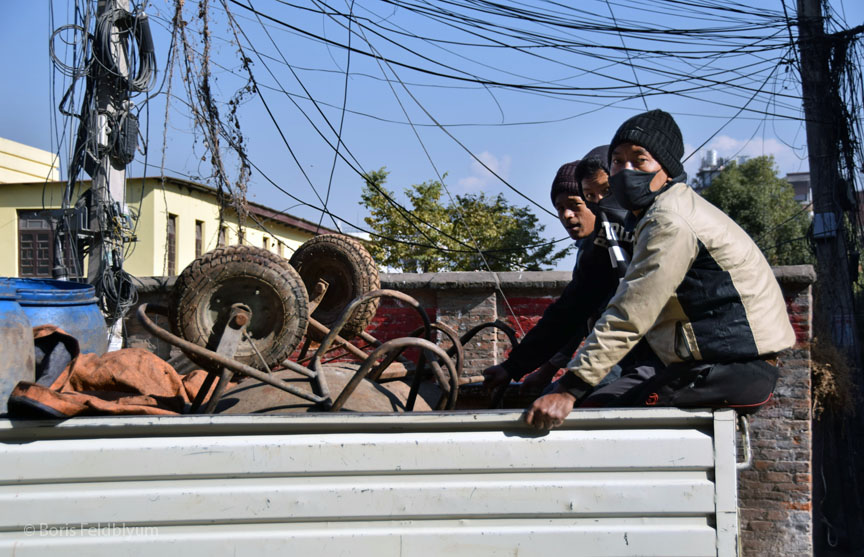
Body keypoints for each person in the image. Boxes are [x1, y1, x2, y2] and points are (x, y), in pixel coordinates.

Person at [525, 109, 795, 430]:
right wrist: (521, 367)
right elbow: (574, 307)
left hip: (729, 369)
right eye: (617, 161)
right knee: (600, 403)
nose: (625, 171)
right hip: (711, 366)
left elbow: (632, 311)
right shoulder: (657, 214)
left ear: (665, 168)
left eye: (639, 160)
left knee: (593, 419)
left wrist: (570, 389)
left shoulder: (669, 219)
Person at [482, 154, 631, 395]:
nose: (567, 216)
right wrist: (519, 368)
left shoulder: (637, 237)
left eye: (575, 205)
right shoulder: (594, 251)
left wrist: (568, 386)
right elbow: (573, 313)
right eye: (560, 208)